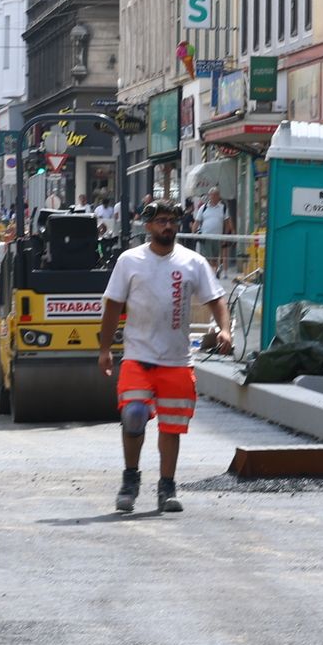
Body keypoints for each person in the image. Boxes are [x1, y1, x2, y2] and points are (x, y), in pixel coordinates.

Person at [96, 196, 227, 516]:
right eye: (161, 221)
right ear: (148, 225)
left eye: (172, 221)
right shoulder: (130, 260)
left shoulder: (192, 262)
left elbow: (216, 298)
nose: (168, 226)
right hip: (138, 356)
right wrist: (104, 349)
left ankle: (167, 487)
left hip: (177, 360)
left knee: (171, 426)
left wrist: (225, 329)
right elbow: (113, 303)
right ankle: (130, 481)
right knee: (134, 414)